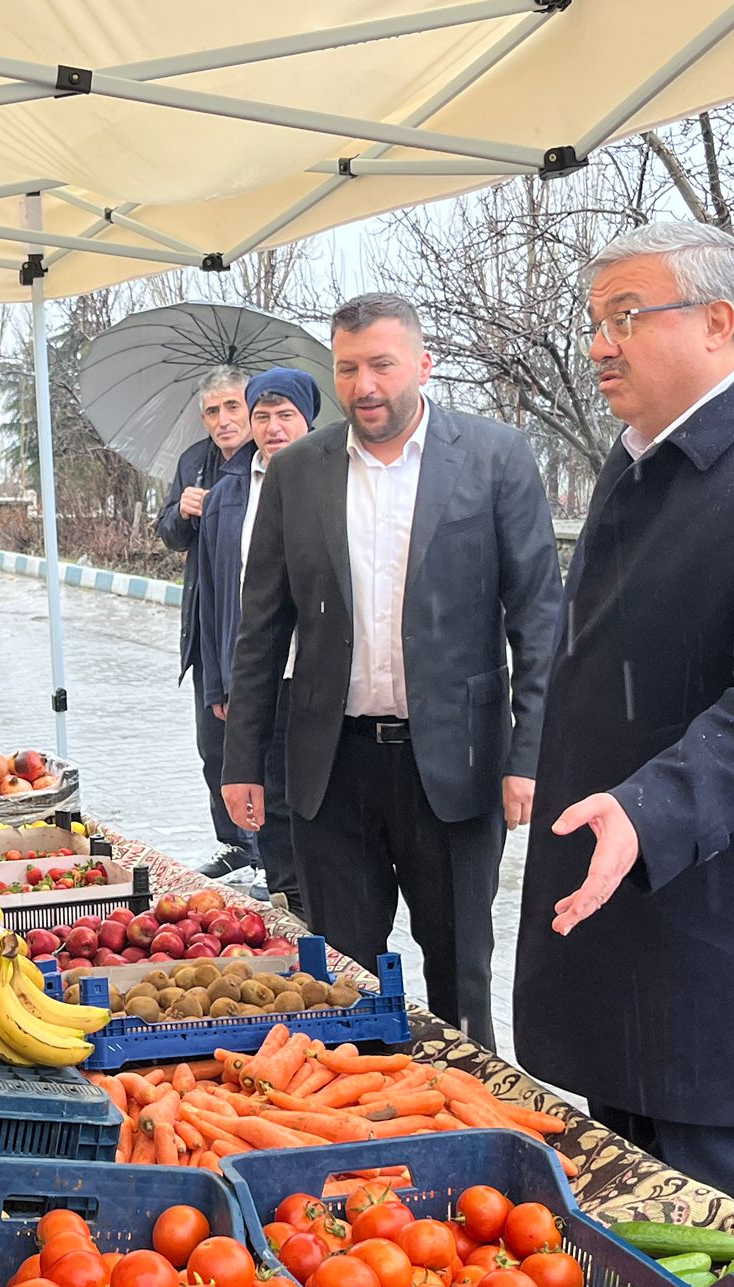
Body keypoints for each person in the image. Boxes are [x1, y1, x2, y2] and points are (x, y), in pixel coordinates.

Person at [514, 221, 734, 1245]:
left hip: (721, 908)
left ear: (719, 323)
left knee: (727, 1214)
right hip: (624, 891)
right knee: (632, 1192)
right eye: (595, 322)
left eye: (626, 317)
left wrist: (649, 806)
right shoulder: (645, 458)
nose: (598, 346)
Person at [222, 295, 561, 1052]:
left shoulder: (495, 457)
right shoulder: (299, 470)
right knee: (344, 973)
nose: (364, 385)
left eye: (381, 364)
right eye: (347, 368)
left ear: (422, 364)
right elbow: (262, 627)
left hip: (457, 764)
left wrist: (531, 756)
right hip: (330, 766)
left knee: (461, 968)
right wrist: (243, 758)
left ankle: (473, 1104)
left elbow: (538, 620)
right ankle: (366, 1124)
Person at [194, 367, 321, 914]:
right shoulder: (228, 495)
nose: (272, 427)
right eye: (261, 416)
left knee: (314, 795)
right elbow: (217, 595)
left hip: (319, 675)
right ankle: (287, 897)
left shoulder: (333, 481)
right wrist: (220, 681)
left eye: (285, 415)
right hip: (258, 672)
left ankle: (324, 900)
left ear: (308, 420)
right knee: (265, 792)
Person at [158, 368, 258, 879]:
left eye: (233, 407)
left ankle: (267, 851)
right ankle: (235, 844)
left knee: (252, 743)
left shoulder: (265, 462)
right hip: (203, 625)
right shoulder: (194, 462)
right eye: (213, 411)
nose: (223, 420)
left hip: (247, 625)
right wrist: (182, 510)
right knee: (212, 748)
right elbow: (168, 533)